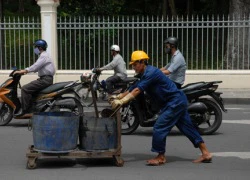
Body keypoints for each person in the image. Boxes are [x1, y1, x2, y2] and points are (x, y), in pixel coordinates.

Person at [110, 50, 212, 166]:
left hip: (174, 102)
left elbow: (137, 91)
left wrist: (122, 101)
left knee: (159, 127)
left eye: (134, 64)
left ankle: (161, 157)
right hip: (177, 101)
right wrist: (117, 97)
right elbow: (133, 88)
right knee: (187, 128)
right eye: (132, 64)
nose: (133, 67)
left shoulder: (151, 73)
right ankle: (206, 153)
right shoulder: (144, 74)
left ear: (142, 62)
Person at [14, 39, 55, 117]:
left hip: (45, 80)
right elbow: (36, 67)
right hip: (45, 79)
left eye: (35, 47)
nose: (35, 49)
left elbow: (35, 66)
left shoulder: (44, 56)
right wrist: (25, 71)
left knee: (25, 89)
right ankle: (33, 108)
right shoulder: (44, 55)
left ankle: (25, 111)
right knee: (32, 91)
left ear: (39, 48)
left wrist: (24, 71)